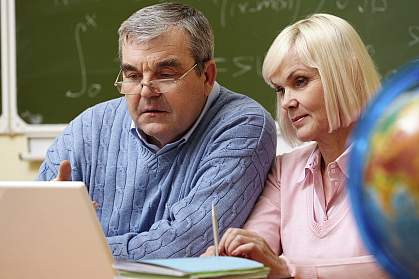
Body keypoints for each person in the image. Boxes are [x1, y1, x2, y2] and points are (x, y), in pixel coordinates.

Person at [38, 3, 276, 260]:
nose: (146, 91)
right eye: (132, 75)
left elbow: (184, 244)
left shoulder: (243, 126)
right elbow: (29, 233)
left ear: (206, 76)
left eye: (165, 74)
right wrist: (42, 219)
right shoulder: (88, 129)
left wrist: (69, 246)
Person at [203, 13, 389, 278]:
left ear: (345, 75)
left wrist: (287, 269)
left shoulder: (401, 165)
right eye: (280, 89)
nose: (286, 101)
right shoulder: (285, 170)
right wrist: (232, 258)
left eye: (299, 81)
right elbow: (257, 246)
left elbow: (403, 265)